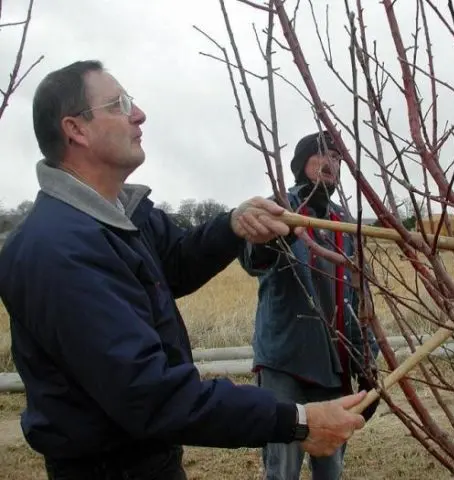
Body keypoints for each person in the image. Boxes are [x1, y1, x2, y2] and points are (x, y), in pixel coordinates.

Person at [0, 60, 369, 480]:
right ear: (76, 130)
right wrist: (296, 422)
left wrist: (233, 223)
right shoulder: (59, 250)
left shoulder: (124, 214)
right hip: (108, 469)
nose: (139, 114)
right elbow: (147, 393)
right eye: (120, 104)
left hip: (149, 458)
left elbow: (174, 262)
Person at [238, 130, 381, 480]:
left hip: (333, 365)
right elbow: (252, 258)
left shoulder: (344, 223)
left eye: (337, 158)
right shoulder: (281, 210)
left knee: (330, 466)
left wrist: (367, 363)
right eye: (322, 155)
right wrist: (271, 239)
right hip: (286, 362)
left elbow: (357, 300)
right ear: (302, 163)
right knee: (282, 468)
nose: (331, 163)